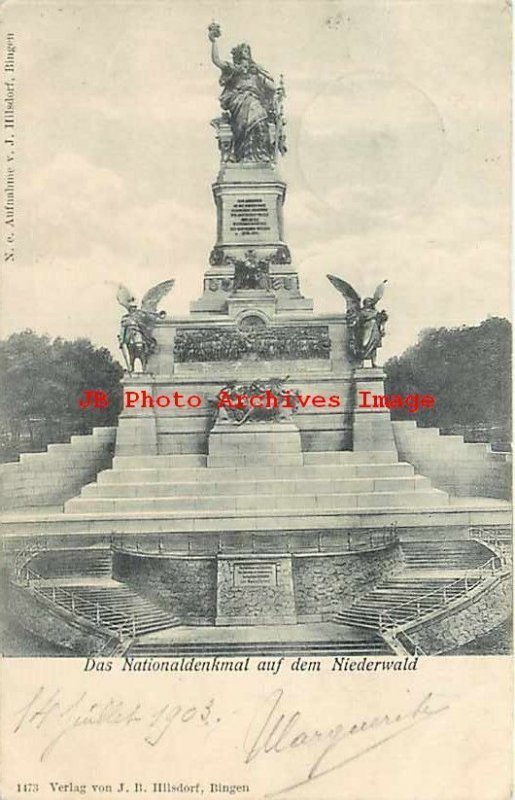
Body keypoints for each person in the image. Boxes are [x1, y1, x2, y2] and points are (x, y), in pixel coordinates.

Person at [209, 26, 276, 162]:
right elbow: (216, 60)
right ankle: (242, 154)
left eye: (247, 53)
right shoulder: (233, 70)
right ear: (238, 56)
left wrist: (258, 73)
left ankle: (258, 154)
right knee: (251, 106)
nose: (246, 55)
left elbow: (272, 88)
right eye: (243, 53)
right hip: (238, 101)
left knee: (259, 114)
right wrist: (213, 41)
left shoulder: (256, 71)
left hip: (255, 100)